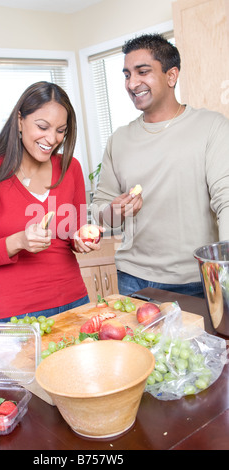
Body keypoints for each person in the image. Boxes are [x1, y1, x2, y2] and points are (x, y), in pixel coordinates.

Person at [92, 33, 229, 298]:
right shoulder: (119, 139)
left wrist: (226, 267)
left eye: (142, 72)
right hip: (134, 278)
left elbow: (226, 199)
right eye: (127, 74)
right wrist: (115, 211)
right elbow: (100, 213)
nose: (132, 83)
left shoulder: (212, 127)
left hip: (198, 278)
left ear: (171, 76)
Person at [0, 81, 102, 321]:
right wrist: (18, 241)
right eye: (42, 126)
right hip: (20, 313)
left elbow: (71, 237)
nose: (52, 138)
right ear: (19, 121)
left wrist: (81, 240)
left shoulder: (70, 168)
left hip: (74, 301)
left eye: (60, 130)